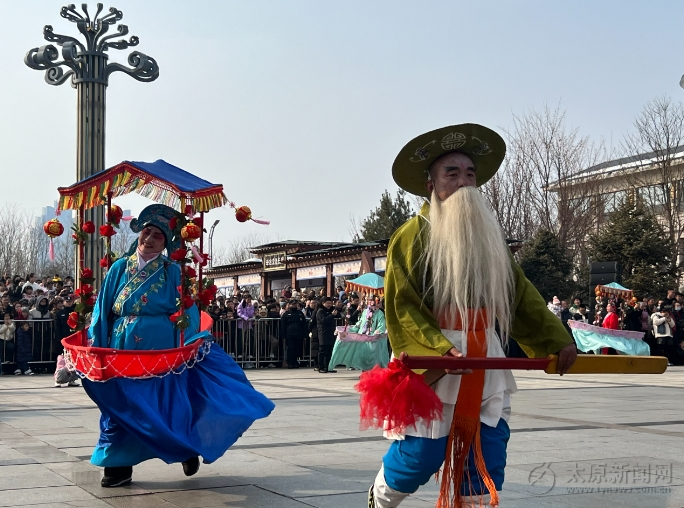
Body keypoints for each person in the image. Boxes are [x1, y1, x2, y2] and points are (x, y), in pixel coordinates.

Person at [368, 124, 576, 508]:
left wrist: (556, 339)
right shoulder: (411, 236)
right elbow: (403, 306)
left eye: (470, 174)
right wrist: (438, 349)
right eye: (452, 173)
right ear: (431, 184)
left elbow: (520, 296)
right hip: (434, 361)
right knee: (420, 454)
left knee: (487, 448)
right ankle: (380, 498)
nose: (464, 181)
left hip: (485, 355)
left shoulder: (489, 239)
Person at [81, 204, 274, 488]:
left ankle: (183, 447)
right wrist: (98, 344)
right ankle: (117, 464)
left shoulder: (174, 271)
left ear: (166, 242)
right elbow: (102, 309)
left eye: (158, 235)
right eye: (147, 231)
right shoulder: (119, 268)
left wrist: (192, 341)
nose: (150, 238)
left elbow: (188, 310)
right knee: (119, 404)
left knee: (164, 404)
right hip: (121, 346)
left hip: (161, 347)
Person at [280, 299, 307, 369]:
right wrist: (283, 336)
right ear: (290, 305)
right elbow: (283, 326)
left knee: (297, 348)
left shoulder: (300, 313)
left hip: (299, 333)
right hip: (289, 334)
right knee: (291, 349)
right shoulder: (286, 314)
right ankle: (290, 363)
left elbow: (304, 325)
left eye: (295, 304)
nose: (294, 305)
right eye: (293, 304)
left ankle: (295, 362)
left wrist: (305, 335)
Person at [316, 297, 338, 373]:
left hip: (331, 333)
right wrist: (332, 315)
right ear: (323, 303)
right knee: (322, 351)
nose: (329, 305)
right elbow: (324, 320)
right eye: (327, 303)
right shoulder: (320, 311)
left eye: (330, 303)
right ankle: (321, 367)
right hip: (323, 333)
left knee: (330, 351)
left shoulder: (331, 310)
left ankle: (328, 367)